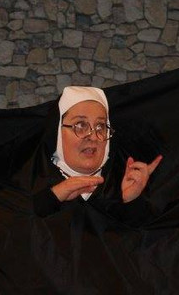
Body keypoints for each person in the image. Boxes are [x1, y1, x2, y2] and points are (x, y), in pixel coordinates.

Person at [34, 86, 162, 216]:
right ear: (57, 132)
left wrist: (130, 202)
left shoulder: (122, 182)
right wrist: (52, 198)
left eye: (100, 126)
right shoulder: (32, 184)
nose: (94, 137)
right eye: (80, 125)